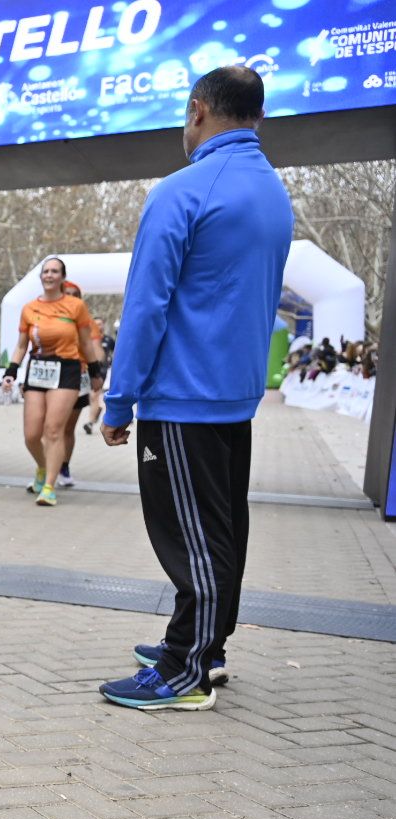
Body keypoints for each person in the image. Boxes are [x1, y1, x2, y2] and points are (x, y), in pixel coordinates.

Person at [97, 66, 293, 711]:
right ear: (256, 117)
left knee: (190, 537)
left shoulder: (184, 190)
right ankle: (206, 645)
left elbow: (148, 304)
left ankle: (186, 670)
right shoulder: (270, 190)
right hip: (233, 392)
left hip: (184, 393)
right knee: (221, 526)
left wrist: (119, 398)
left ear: (198, 109)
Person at [8, 257, 100, 506]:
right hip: (37, 368)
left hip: (67, 369)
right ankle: (42, 466)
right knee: (31, 434)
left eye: (54, 271)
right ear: (41, 277)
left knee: (53, 430)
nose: (49, 275)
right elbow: (20, 345)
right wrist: (11, 370)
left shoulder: (75, 306)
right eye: (45, 271)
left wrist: (95, 373)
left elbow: (85, 343)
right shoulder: (29, 308)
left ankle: (49, 486)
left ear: (62, 277)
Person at [57, 280, 102, 487]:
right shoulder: (49, 318)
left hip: (78, 375)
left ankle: (63, 467)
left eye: (76, 294)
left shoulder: (88, 322)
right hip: (51, 377)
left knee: (67, 428)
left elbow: (96, 349)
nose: (71, 297)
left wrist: (97, 369)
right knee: (49, 427)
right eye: (67, 293)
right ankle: (47, 467)